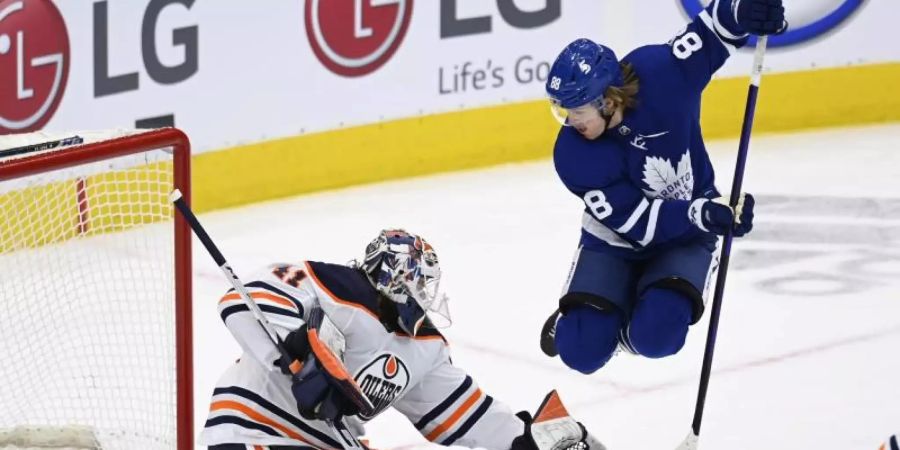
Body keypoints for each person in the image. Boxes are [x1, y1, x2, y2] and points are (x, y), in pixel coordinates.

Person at [539, 0, 786, 374]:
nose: (570, 122)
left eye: (576, 111)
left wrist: (744, 10)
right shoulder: (575, 155)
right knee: (582, 353)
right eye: (563, 111)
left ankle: (622, 329)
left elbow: (714, 31)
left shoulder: (662, 73)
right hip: (616, 239)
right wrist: (701, 213)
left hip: (688, 233)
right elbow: (639, 224)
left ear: (607, 100)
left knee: (656, 338)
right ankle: (591, 325)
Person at [200, 229, 605, 450]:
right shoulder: (330, 284)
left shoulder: (423, 350)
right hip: (250, 428)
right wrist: (299, 356)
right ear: (395, 280)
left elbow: (468, 417)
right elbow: (240, 302)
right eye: (421, 284)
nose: (427, 297)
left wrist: (525, 442)